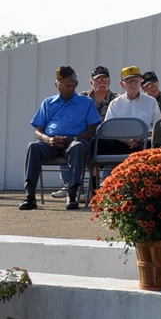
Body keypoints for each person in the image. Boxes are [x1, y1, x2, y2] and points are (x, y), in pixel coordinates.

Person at [20, 66, 102, 211]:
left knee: (77, 146)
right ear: (56, 84)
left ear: (76, 84)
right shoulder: (48, 103)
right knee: (32, 147)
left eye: (69, 84)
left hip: (74, 142)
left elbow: (92, 130)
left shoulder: (86, 102)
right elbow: (38, 131)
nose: (65, 88)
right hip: (52, 143)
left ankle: (71, 194)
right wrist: (48, 139)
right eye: (61, 84)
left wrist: (72, 138)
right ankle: (30, 196)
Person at [52, 65, 118, 198]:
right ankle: (69, 185)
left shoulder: (117, 99)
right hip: (83, 136)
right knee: (66, 141)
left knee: (112, 148)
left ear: (109, 81)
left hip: (106, 139)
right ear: (91, 82)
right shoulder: (80, 98)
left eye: (105, 79)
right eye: (98, 79)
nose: (102, 82)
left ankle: (103, 187)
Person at [100, 65, 161, 153]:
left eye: (136, 80)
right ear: (122, 84)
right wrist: (126, 140)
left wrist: (141, 138)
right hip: (121, 143)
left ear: (141, 81)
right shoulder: (115, 103)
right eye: (129, 81)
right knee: (100, 142)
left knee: (151, 142)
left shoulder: (151, 102)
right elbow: (109, 129)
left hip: (144, 143)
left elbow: (157, 126)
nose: (133, 84)